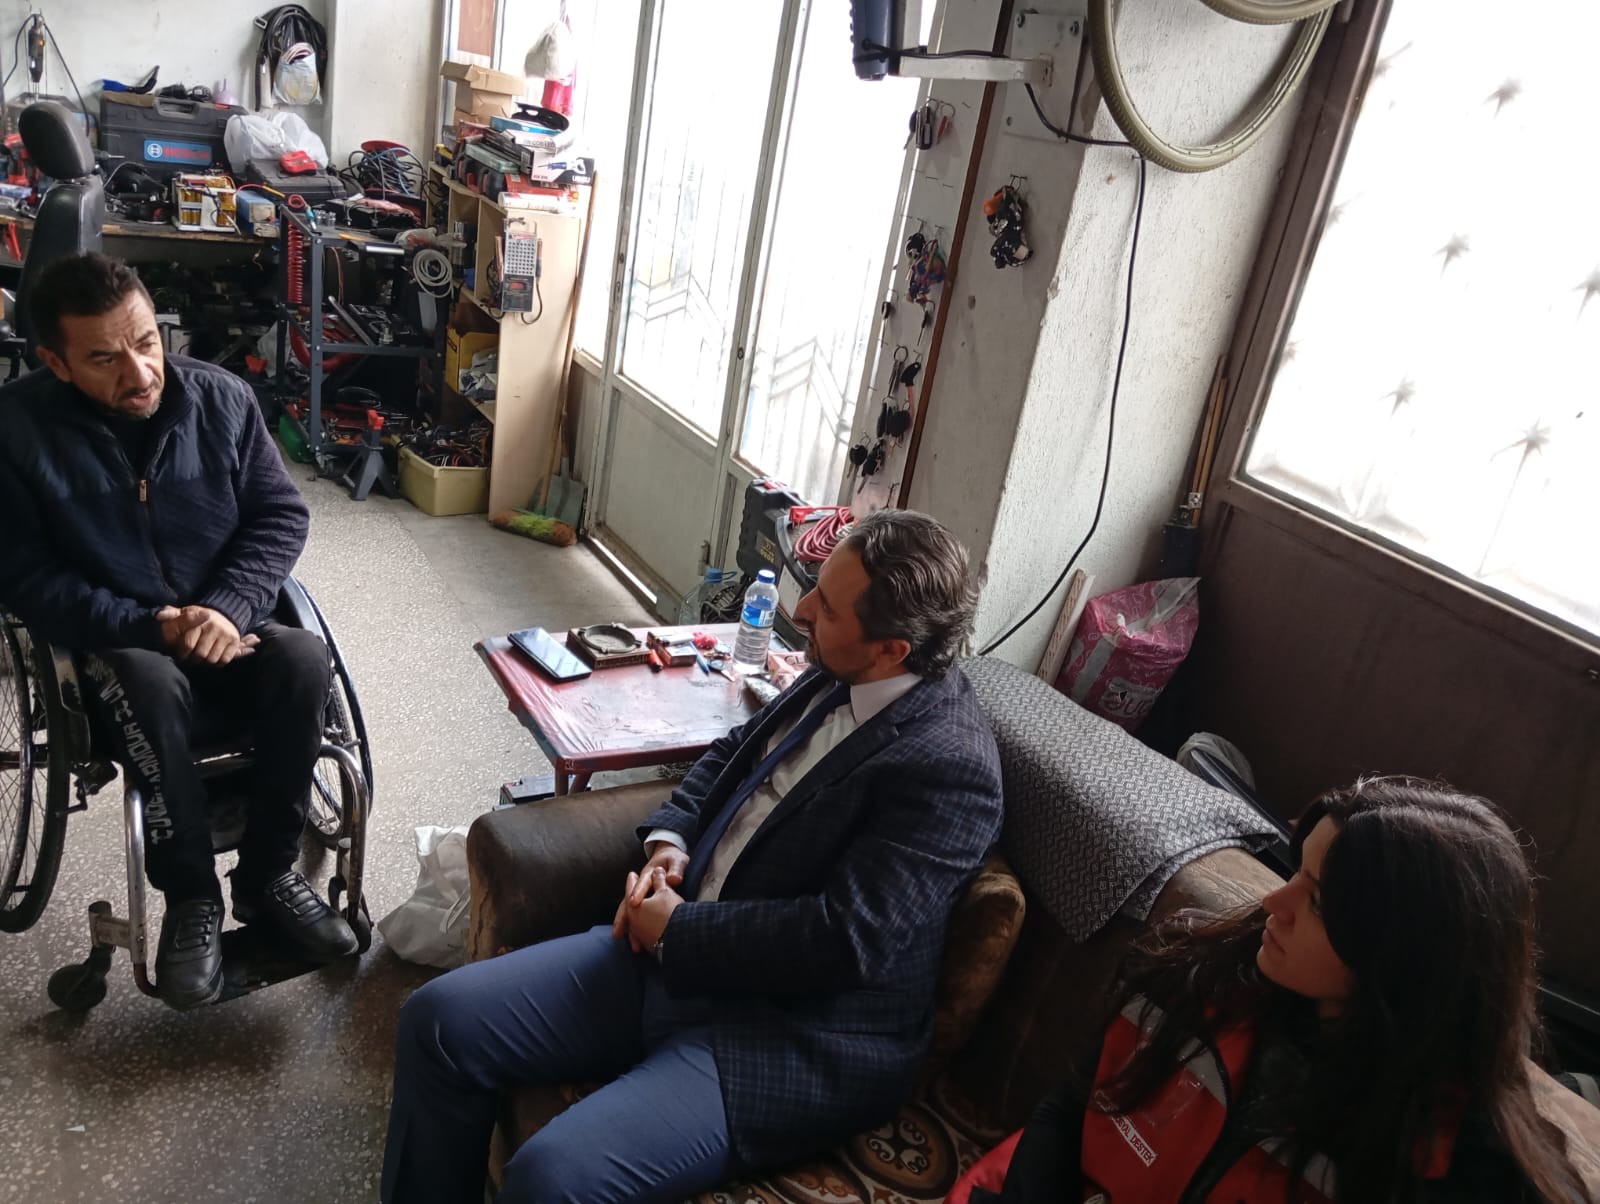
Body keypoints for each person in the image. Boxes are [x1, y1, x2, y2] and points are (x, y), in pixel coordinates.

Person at [381, 509, 1004, 1204]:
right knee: (437, 1023)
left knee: (551, 1180)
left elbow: (845, 939)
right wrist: (669, 843)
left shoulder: (951, 768)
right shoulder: (840, 670)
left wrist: (679, 931)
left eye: (826, 607)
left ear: (892, 650)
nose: (801, 610)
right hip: (673, 957)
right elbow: (730, 752)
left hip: (789, 1037)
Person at [954, 778, 1592, 1204]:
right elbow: (1070, 1106)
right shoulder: (1199, 969)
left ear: (1402, 959)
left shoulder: (1456, 1168)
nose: (1273, 903)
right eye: (1295, 872)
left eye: (1316, 902)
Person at [0, 253, 357, 1010]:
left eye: (145, 342)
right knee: (147, 677)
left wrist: (226, 608)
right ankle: (192, 897)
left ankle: (268, 876)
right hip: (120, 648)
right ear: (56, 363)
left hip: (231, 629)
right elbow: (26, 578)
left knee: (303, 657)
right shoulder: (16, 432)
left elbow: (279, 515)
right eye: (105, 358)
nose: (139, 373)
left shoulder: (222, 399)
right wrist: (151, 625)